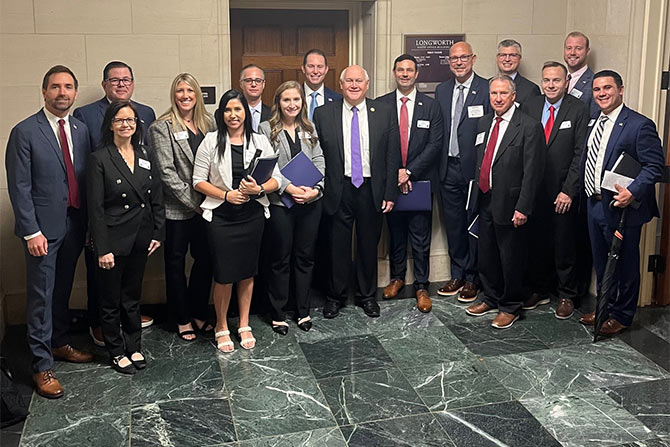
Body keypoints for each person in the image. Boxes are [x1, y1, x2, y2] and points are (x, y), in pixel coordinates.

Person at [5, 65, 93, 398]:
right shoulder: (25, 131)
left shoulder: (81, 130)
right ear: (44, 92)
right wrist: (31, 232)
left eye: (68, 87)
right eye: (55, 86)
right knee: (41, 295)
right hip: (42, 231)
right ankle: (42, 365)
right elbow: (19, 187)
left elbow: (86, 179)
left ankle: (58, 343)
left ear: (75, 92)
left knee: (62, 289)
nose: (62, 92)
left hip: (74, 224)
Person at [73, 60, 156, 345]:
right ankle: (99, 322)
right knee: (102, 273)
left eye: (126, 79)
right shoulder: (85, 114)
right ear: (104, 84)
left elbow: (147, 160)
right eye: (115, 80)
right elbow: (84, 163)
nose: (121, 84)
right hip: (106, 207)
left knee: (131, 277)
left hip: (137, 212)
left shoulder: (146, 112)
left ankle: (128, 316)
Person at [192, 90, 281, 352]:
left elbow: (276, 179)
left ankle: (244, 323)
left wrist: (259, 189)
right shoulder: (210, 141)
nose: (233, 115)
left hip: (252, 215)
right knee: (224, 274)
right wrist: (226, 195)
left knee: (247, 271)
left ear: (246, 113)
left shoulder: (260, 140)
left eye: (238, 109)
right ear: (221, 113)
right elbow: (197, 181)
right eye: (228, 110)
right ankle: (221, 325)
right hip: (221, 216)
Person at [579, 70, 665, 335]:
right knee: (602, 263)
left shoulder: (639, 125)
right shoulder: (594, 121)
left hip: (622, 206)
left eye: (607, 88)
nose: (602, 94)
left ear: (620, 89)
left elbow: (655, 166)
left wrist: (633, 192)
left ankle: (622, 316)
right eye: (597, 89)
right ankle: (604, 309)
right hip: (594, 203)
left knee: (624, 264)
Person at [313, 65, 400, 319]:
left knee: (368, 246)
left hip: (371, 189)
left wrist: (390, 193)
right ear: (341, 85)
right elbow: (316, 154)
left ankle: (367, 296)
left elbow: (392, 155)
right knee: (337, 247)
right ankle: (335, 297)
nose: (354, 85)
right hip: (338, 189)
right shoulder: (323, 113)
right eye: (349, 80)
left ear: (367, 84)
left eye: (358, 81)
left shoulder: (384, 112)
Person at [87, 101, 165, 374]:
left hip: (141, 237)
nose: (126, 125)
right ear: (110, 124)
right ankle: (116, 351)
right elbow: (96, 209)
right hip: (113, 239)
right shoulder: (100, 158)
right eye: (120, 120)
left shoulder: (145, 153)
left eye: (130, 120)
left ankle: (134, 346)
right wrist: (102, 248)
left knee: (132, 297)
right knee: (110, 300)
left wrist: (158, 232)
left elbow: (156, 196)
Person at [465, 75, 544, 329]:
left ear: (513, 96)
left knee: (510, 258)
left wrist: (523, 207)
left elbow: (533, 172)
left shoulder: (529, 126)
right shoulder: (484, 122)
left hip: (512, 204)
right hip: (485, 198)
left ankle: (510, 306)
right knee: (487, 254)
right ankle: (491, 297)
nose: (498, 98)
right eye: (494, 94)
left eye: (503, 94)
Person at [146, 73, 215, 341]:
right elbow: (165, 172)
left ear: (197, 94)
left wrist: (211, 200)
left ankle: (198, 311)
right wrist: (195, 203)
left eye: (190, 90)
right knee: (175, 264)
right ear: (173, 95)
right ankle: (182, 317)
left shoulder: (209, 124)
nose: (185, 96)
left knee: (205, 260)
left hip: (208, 207)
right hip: (178, 210)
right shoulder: (161, 127)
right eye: (179, 91)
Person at [376, 54, 443, 313]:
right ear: (394, 73)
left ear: (417, 74)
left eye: (409, 70)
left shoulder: (431, 106)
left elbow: (435, 144)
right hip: (391, 182)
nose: (405, 74)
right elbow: (378, 144)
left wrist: (410, 171)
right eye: (400, 70)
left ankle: (422, 286)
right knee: (395, 233)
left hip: (420, 182)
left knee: (420, 235)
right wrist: (396, 173)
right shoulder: (381, 105)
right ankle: (397, 278)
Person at [521, 61, 588, 319]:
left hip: (562, 191)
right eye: (547, 80)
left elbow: (580, 154)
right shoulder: (531, 105)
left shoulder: (578, 109)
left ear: (566, 82)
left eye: (556, 80)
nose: (550, 85)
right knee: (536, 241)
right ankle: (540, 288)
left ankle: (567, 294)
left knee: (564, 243)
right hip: (535, 189)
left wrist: (569, 190)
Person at [259, 81, 325, 334]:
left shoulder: (309, 127)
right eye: (286, 100)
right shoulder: (266, 129)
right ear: (278, 102)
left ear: (302, 102)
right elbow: (268, 165)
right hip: (281, 204)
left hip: (310, 203)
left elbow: (319, 160)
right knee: (280, 258)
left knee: (305, 258)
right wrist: (288, 188)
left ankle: (303, 311)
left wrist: (316, 190)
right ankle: (278, 313)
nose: (292, 104)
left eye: (296, 99)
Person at [435, 41, 491, 303]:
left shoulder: (486, 88)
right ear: (449, 62)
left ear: (473, 59)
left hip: (473, 170)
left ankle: (473, 278)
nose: (459, 62)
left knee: (473, 224)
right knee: (454, 224)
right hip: (447, 168)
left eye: (464, 57)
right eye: (454, 58)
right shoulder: (442, 90)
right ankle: (457, 274)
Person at [495, 39, 541, 106]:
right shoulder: (486, 86)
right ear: (497, 58)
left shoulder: (531, 89)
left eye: (512, 55)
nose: (507, 59)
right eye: (503, 55)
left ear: (519, 59)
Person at [563, 32, 599, 116]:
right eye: (569, 48)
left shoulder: (594, 82)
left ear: (587, 51)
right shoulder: (557, 80)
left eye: (578, 48)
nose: (572, 52)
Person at [302, 49, 343, 120]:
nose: (315, 71)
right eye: (311, 66)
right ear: (303, 69)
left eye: (320, 67)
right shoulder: (293, 97)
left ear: (326, 70)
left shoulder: (338, 100)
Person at [239, 64, 271, 132]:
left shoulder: (274, 114)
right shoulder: (230, 114)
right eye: (248, 81)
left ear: (263, 84)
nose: (253, 84)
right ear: (241, 84)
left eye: (258, 81)